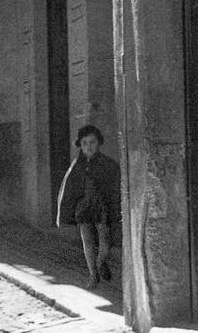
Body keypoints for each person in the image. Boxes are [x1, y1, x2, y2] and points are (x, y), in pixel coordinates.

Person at [56, 124, 121, 289]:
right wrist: (68, 211)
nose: (88, 146)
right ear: (81, 146)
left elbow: (114, 187)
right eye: (84, 143)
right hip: (84, 208)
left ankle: (100, 263)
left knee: (105, 243)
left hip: (102, 209)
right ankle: (93, 275)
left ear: (98, 143)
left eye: (92, 142)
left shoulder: (108, 164)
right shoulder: (77, 166)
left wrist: (114, 208)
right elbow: (69, 190)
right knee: (88, 243)